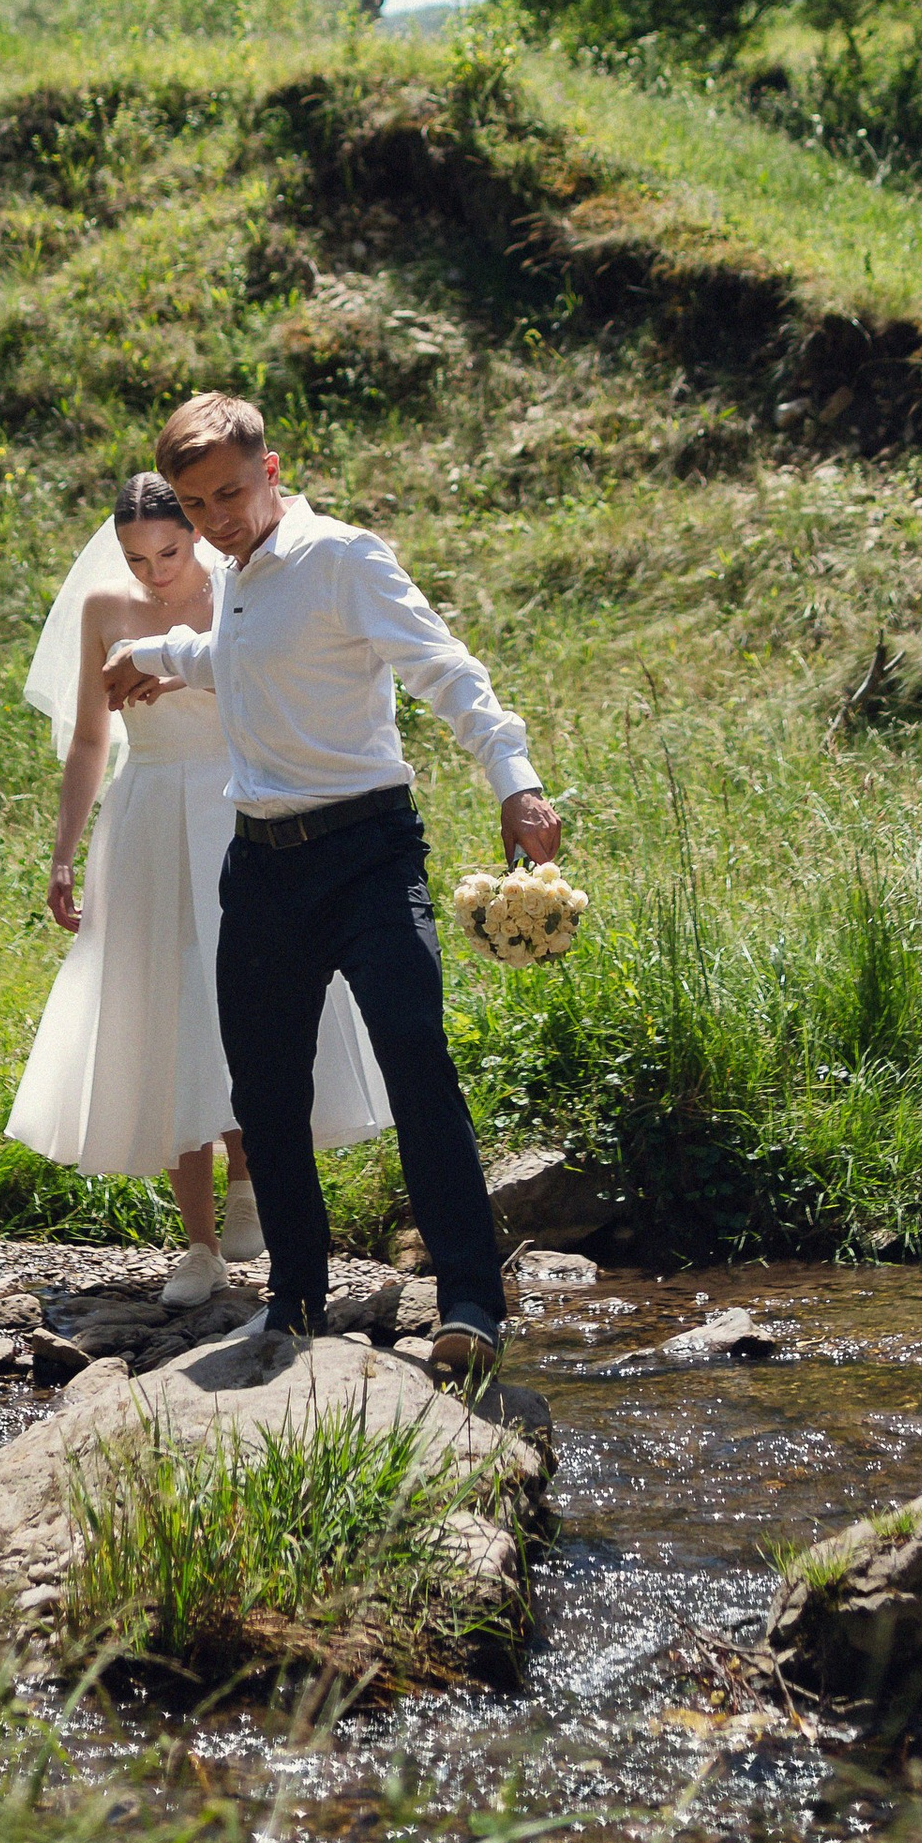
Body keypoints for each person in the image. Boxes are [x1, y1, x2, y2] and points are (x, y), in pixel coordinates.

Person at [105, 390, 561, 1381]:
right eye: (197, 505)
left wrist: (514, 781)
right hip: (261, 864)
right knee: (266, 1089)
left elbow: (445, 670)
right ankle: (296, 1299)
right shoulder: (236, 577)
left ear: (270, 471)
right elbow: (244, 657)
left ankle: (470, 1304)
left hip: (368, 853)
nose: (216, 521)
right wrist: (156, 656)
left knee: (414, 1056)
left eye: (230, 495)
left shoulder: (344, 557)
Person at [6, 468, 390, 1305]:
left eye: (169, 553)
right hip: (147, 816)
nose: (155, 573)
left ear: (193, 532)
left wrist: (179, 671)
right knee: (165, 1008)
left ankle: (251, 1184)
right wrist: (63, 853)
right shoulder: (104, 609)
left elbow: (266, 679)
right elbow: (89, 740)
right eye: (136, 560)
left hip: (234, 804)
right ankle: (198, 1245)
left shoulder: (240, 586)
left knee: (245, 998)